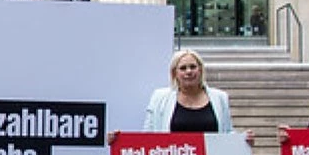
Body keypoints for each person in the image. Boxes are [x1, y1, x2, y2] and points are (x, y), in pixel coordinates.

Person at [107, 49, 253, 145]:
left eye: (193, 67)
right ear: (175, 73)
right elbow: (147, 137)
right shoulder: (159, 98)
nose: (188, 71)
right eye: (183, 68)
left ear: (200, 70)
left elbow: (227, 133)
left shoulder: (220, 97)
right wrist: (119, 141)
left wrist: (243, 140)